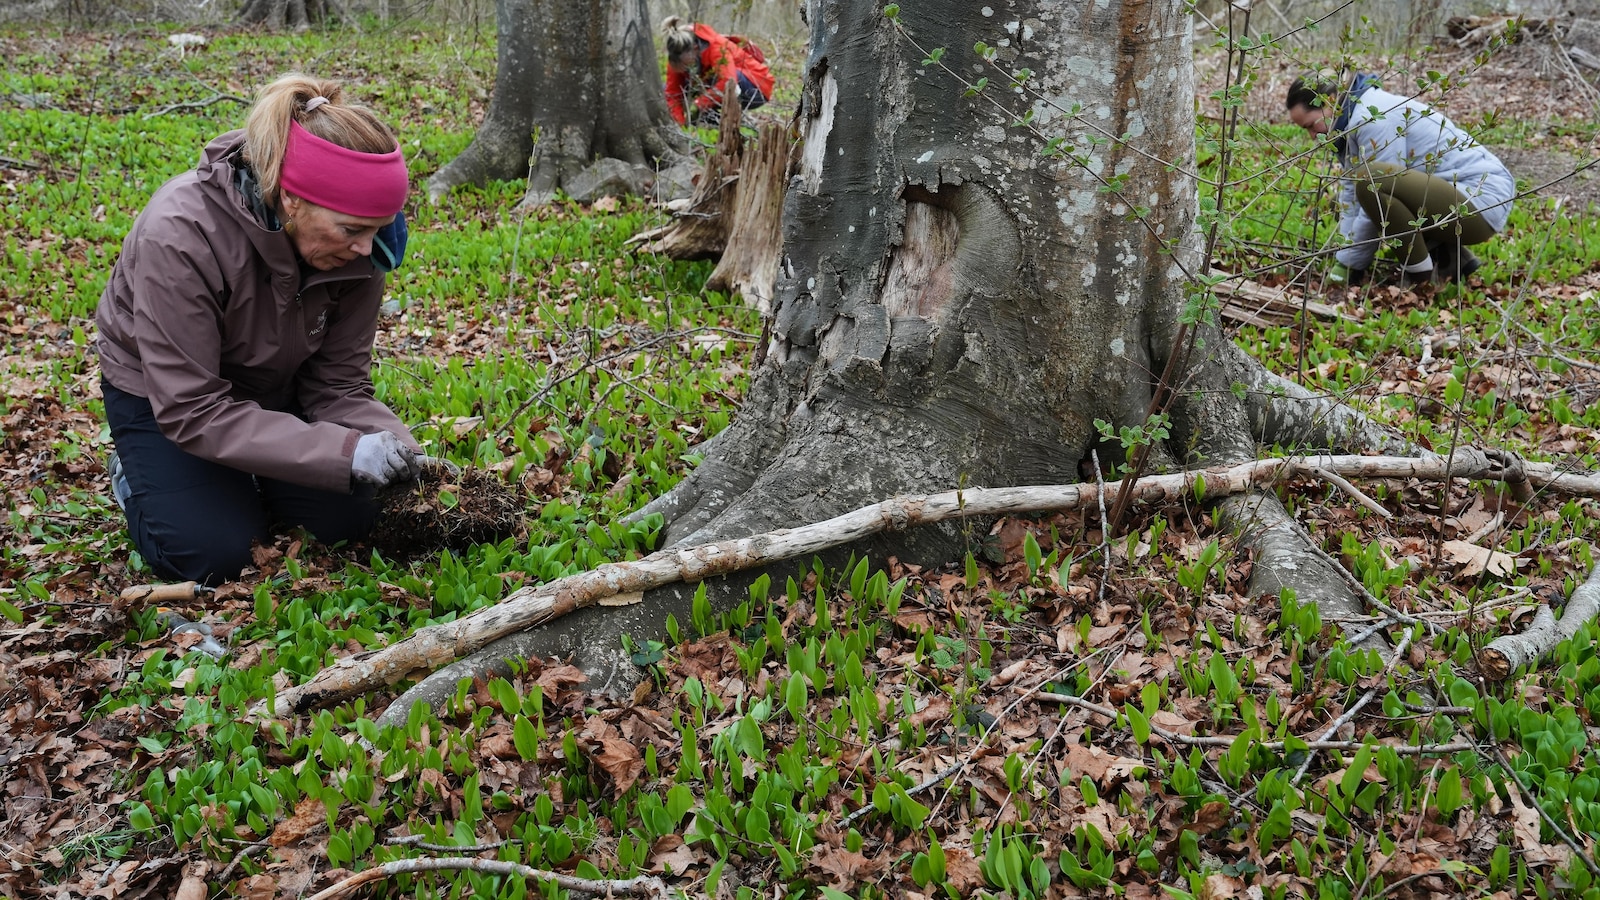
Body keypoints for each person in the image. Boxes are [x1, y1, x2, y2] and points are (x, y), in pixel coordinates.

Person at [95, 73, 422, 585]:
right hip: (169, 400)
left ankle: (251, 473)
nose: (366, 249)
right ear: (292, 200)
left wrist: (396, 447)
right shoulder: (182, 236)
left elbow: (338, 385)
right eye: (352, 230)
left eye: (379, 228)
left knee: (355, 520)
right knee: (215, 554)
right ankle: (136, 476)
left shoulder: (364, 248)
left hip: (276, 386)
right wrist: (342, 452)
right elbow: (192, 409)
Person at [1285, 73, 1515, 288]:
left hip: (1480, 201)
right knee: (1348, 199)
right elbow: (1350, 198)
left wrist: (1349, 265)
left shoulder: (1372, 118)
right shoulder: (1348, 121)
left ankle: (1421, 279)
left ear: (1331, 101)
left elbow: (1375, 186)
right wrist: (1345, 255)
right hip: (1456, 199)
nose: (1312, 137)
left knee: (1371, 182)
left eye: (1311, 126)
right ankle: (1452, 260)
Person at [661, 15, 775, 127]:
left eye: (687, 64)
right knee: (666, 88)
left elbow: (728, 81)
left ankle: (731, 124)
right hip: (720, 87)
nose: (685, 68)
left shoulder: (716, 47)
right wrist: (680, 125)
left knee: (719, 79)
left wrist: (698, 104)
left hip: (756, 88)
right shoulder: (676, 58)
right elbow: (672, 94)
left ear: (695, 48)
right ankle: (710, 122)